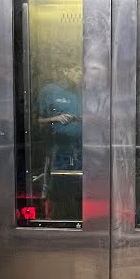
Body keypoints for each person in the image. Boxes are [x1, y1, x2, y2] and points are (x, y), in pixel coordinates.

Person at [36, 64, 83, 220]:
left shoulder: (83, 92)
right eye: (76, 69)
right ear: (65, 69)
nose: (80, 73)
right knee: (54, 188)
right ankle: (54, 221)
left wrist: (79, 120)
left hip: (80, 150)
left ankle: (78, 219)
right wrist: (55, 119)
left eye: (83, 70)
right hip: (57, 150)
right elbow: (36, 121)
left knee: (79, 188)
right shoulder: (49, 91)